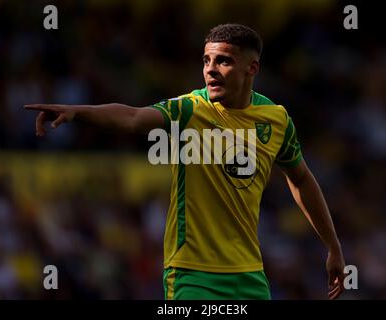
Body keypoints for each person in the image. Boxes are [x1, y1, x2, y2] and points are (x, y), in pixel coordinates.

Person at [25, 24, 345, 300]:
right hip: (191, 275)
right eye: (206, 60)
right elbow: (134, 116)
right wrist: (79, 111)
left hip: (249, 275)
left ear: (252, 68)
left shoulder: (276, 119)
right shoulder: (190, 109)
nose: (210, 69)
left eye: (223, 61)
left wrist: (332, 246)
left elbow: (301, 178)